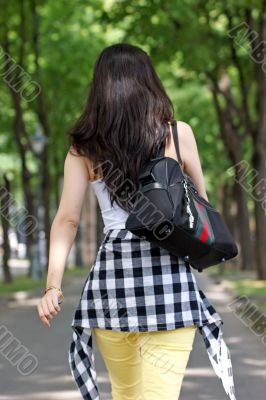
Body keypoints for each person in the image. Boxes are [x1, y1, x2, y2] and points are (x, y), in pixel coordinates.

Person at [37, 43, 237, 400]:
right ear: (150, 82)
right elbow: (199, 206)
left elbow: (66, 220)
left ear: (100, 89)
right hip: (170, 283)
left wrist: (53, 285)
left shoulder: (85, 147)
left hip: (112, 287)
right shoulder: (177, 134)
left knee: (127, 395)